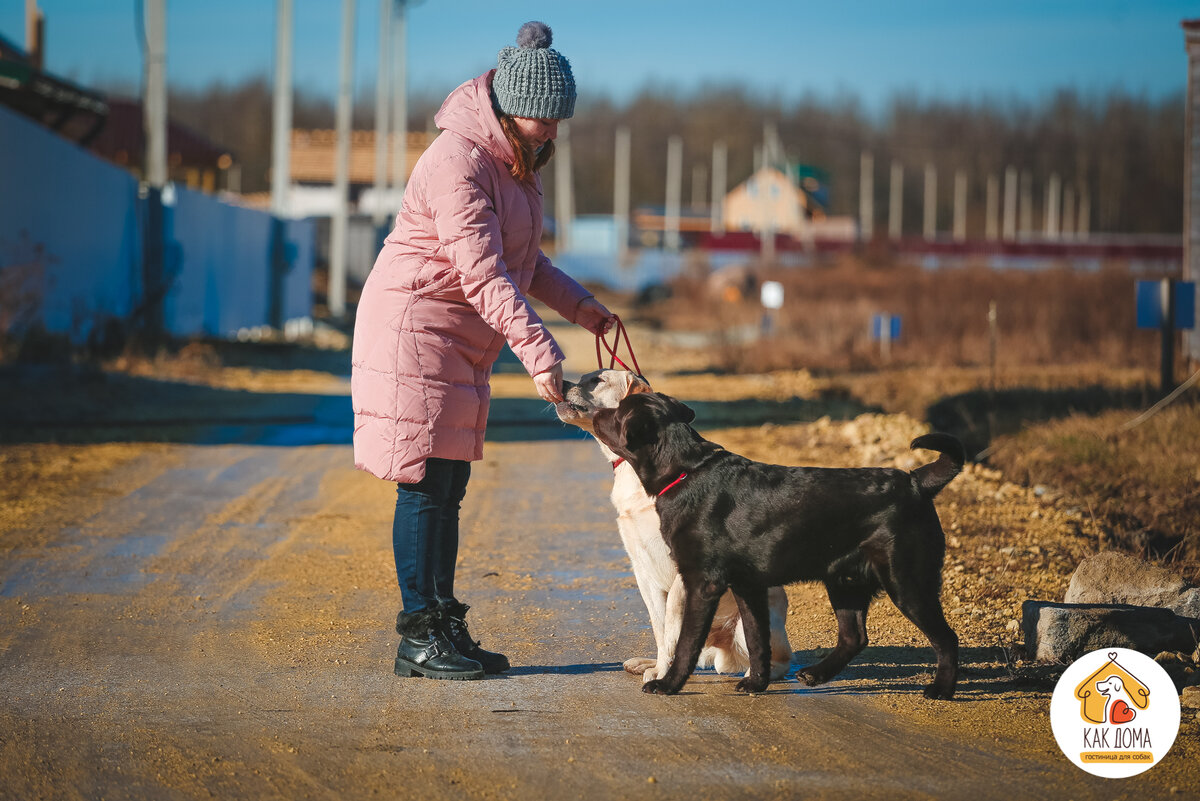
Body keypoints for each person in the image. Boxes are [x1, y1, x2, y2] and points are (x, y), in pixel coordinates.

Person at [351, 21, 613, 681]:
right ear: (506, 104)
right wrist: (540, 352)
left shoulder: (513, 165)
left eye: (559, 118)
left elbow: (522, 260)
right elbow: (483, 274)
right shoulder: (456, 161)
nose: (552, 128)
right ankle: (419, 636)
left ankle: (444, 625)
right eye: (542, 116)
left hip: (461, 336)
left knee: (450, 484)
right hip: (415, 328)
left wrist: (581, 306)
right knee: (424, 486)